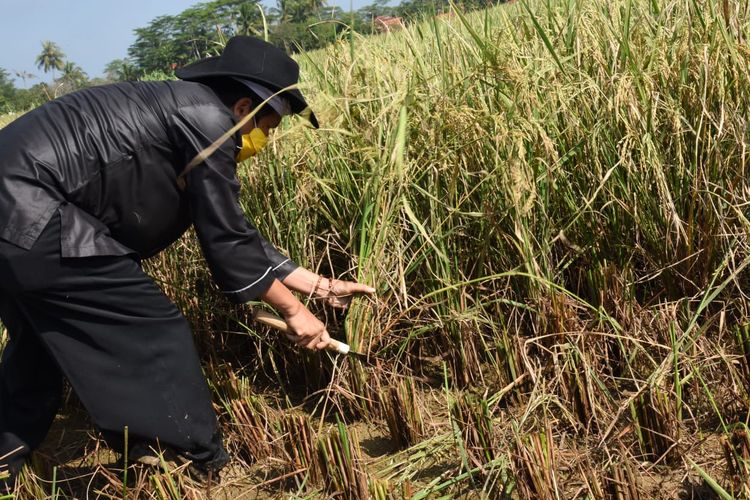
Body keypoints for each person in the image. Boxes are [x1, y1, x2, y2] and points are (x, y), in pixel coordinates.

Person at [0, 35, 375, 484]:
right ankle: (180, 453)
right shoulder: (209, 121)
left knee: (42, 344)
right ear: (243, 108)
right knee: (150, 326)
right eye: (269, 127)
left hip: (19, 213)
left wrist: (319, 286)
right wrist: (294, 312)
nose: (265, 141)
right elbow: (227, 242)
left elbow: (231, 229)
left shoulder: (180, 106)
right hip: (29, 211)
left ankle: (3, 456)